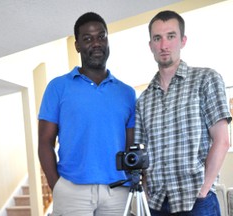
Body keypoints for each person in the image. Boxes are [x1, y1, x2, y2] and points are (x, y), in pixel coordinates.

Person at [134, 10, 232, 215]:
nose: (164, 45)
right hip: (158, 204)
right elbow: (142, 152)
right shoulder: (143, 99)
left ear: (183, 40)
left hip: (197, 201)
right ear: (150, 45)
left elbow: (222, 140)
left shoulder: (206, 80)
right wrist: (146, 190)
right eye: (157, 38)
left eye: (171, 36)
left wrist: (204, 190)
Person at [38, 12, 136, 216]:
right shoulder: (58, 87)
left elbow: (130, 145)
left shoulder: (127, 93)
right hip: (73, 190)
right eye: (88, 38)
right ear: (77, 45)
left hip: (117, 192)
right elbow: (45, 142)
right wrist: (57, 186)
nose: (96, 43)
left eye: (101, 36)